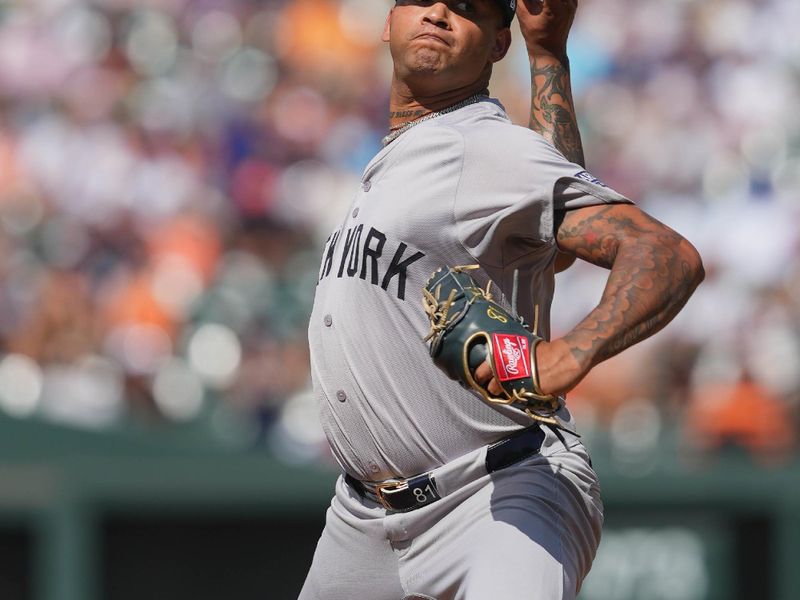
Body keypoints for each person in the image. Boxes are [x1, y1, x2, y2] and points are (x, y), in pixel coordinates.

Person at [300, 1, 704, 599]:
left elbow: (665, 253)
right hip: (361, 522)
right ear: (387, 22)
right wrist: (548, 59)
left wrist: (566, 355)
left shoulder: (478, 146)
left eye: (466, 7)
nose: (438, 12)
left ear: (496, 43)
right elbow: (553, 249)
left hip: (497, 497)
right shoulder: (400, 159)